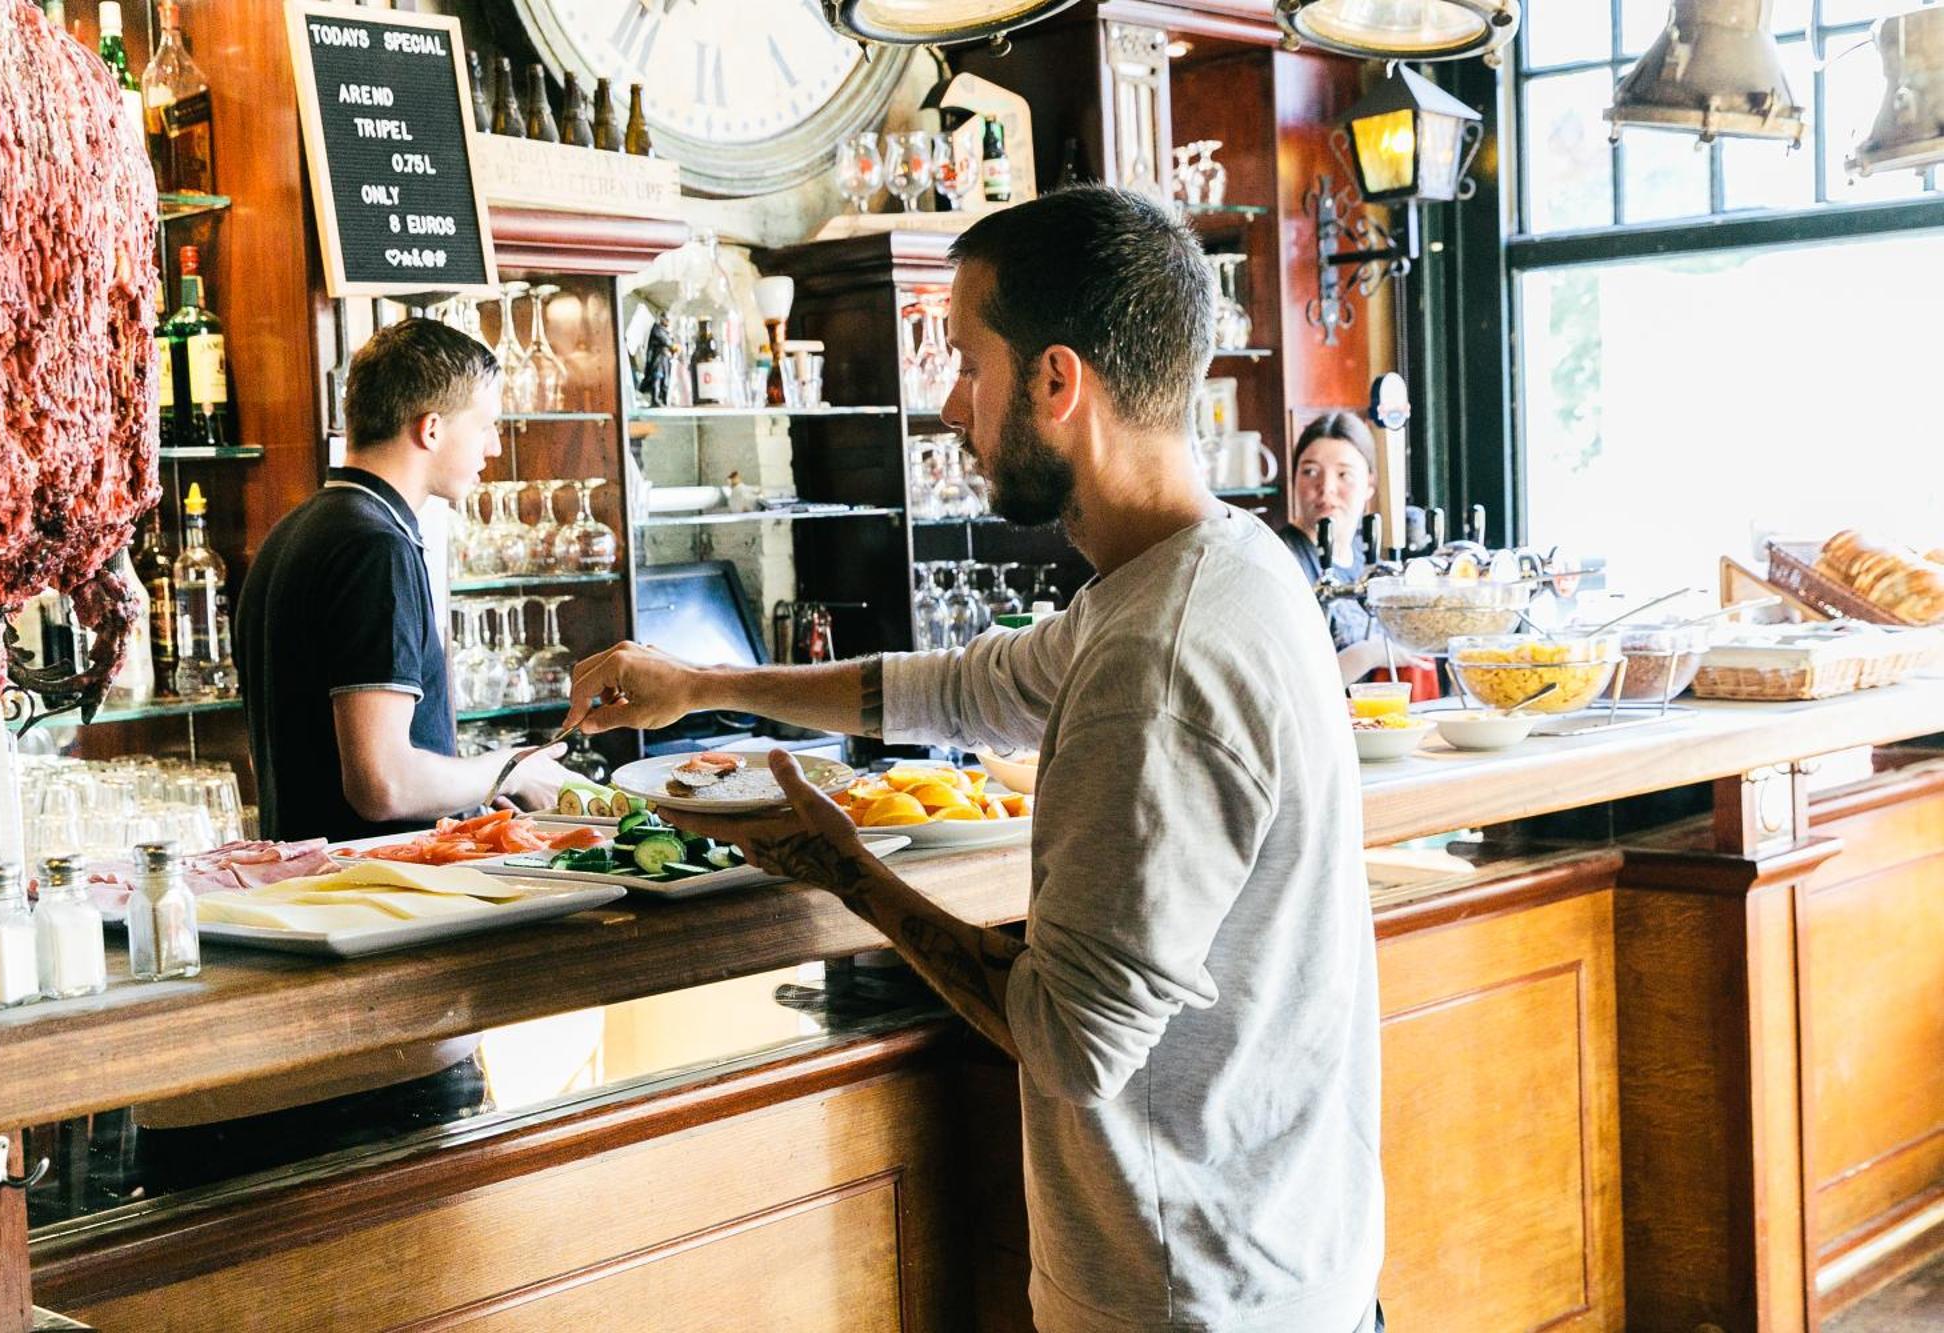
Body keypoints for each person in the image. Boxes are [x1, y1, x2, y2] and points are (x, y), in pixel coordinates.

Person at [567, 187, 1385, 1332]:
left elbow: (1067, 1043)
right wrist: (706, 683)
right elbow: (968, 688)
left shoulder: (1154, 663)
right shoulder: (1225, 563)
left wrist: (843, 870)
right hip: (1292, 1254)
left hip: (1187, 1296)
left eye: (965, 362)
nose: (951, 405)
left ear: (1057, 383)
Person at [237, 318, 570, 842]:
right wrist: (511, 769)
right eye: (485, 426)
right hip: (372, 900)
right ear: (431, 428)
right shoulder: (376, 547)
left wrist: (468, 797)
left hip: (310, 887)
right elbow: (382, 784)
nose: (494, 449)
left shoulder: (296, 529)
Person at [1276, 411, 1393, 684]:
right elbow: (1292, 686)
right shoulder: (1282, 559)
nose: (1326, 488)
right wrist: (1371, 653)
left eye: (1344, 474)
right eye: (1310, 472)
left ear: (1369, 485)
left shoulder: (1366, 557)